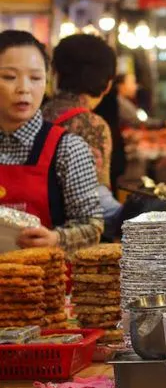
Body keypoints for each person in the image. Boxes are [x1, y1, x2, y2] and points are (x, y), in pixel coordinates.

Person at [0, 30, 102, 252]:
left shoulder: (68, 149)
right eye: (9, 77)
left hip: (45, 282)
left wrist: (56, 239)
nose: (24, 89)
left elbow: (93, 227)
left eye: (35, 78)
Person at [43, 33, 121, 238]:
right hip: (69, 241)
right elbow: (97, 201)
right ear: (108, 84)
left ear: (55, 73)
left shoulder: (37, 113)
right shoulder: (92, 125)